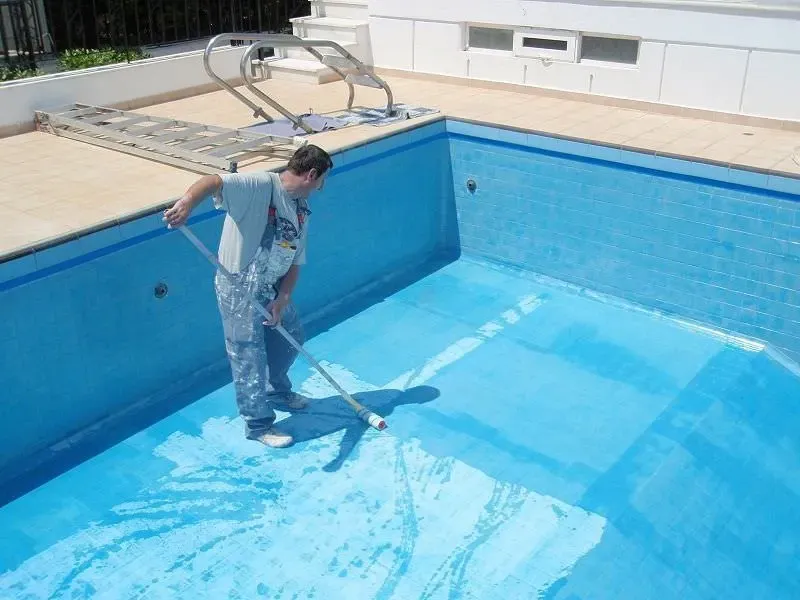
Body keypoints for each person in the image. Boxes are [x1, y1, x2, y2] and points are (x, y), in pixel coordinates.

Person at [163, 144, 333, 448]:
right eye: (322, 180)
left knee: (290, 334)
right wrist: (186, 204)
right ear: (311, 174)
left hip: (272, 286)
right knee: (248, 354)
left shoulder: (300, 210)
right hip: (239, 288)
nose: (321, 188)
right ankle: (258, 425)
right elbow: (212, 181)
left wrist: (283, 299)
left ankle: (276, 391)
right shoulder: (259, 185)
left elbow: (295, 259)